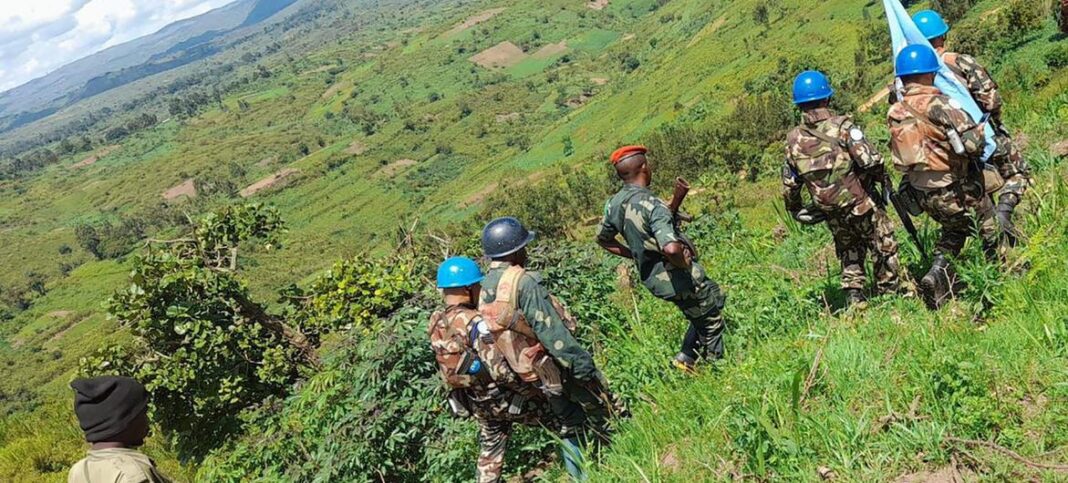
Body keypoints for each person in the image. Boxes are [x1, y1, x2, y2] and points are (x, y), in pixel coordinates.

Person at [479, 217, 615, 458]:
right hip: (556, 363)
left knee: (569, 420)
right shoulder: (523, 282)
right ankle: (621, 453)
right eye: (523, 247)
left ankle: (581, 470)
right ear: (515, 251)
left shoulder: (486, 286)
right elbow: (552, 333)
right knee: (604, 409)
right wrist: (583, 367)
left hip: (531, 371)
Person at [428, 257, 570, 483]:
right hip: (505, 398)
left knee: (490, 451)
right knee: (563, 419)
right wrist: (531, 391)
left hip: (476, 401)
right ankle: (583, 467)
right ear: (467, 289)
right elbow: (500, 371)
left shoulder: (437, 321)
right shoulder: (476, 322)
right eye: (476, 285)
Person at [595, 146, 726, 372]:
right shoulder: (651, 204)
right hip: (676, 276)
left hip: (654, 279)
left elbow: (603, 239)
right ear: (644, 167)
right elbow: (671, 249)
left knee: (714, 295)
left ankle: (686, 357)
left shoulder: (613, 204)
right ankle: (719, 371)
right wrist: (683, 263)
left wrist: (635, 254)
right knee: (711, 324)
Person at [887, 44, 999, 309]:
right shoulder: (942, 104)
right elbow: (973, 145)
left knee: (955, 229)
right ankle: (1000, 278)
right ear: (930, 73)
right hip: (955, 189)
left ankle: (937, 274)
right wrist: (980, 133)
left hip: (922, 194)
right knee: (990, 226)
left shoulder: (895, 111)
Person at [783, 71, 904, 307]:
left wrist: (796, 209)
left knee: (848, 248)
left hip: (831, 209)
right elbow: (870, 161)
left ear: (799, 105)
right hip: (861, 203)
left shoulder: (793, 140)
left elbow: (790, 183)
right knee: (882, 243)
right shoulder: (843, 127)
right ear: (827, 98)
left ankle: (854, 297)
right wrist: (880, 180)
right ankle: (890, 294)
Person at [914, 9, 1032, 245]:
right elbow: (991, 101)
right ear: (942, 35)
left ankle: (992, 239)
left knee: (978, 192)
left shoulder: (912, 80)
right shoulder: (959, 62)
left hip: (945, 155)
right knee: (1019, 174)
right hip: (982, 135)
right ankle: (1004, 214)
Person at [68, 376, 171, 483]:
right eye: (143, 413)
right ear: (126, 421)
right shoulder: (132, 475)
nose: (148, 420)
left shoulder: (78, 471)